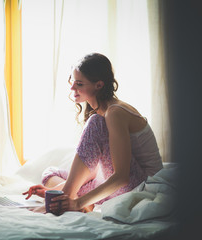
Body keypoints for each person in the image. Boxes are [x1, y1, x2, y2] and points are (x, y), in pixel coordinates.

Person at [23, 53, 163, 214]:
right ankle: (76, 200)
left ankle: (68, 200)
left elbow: (122, 177)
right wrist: (54, 189)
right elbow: (91, 170)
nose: (72, 88)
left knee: (95, 122)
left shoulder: (115, 113)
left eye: (79, 84)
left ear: (99, 85)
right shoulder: (105, 113)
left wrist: (75, 202)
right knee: (50, 174)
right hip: (122, 183)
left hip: (142, 185)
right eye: (72, 81)